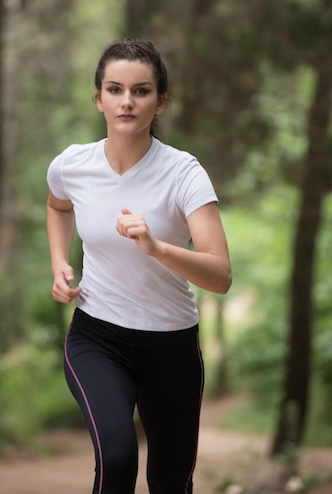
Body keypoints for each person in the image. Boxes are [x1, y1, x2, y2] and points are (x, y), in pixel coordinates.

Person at [46, 38, 232, 494]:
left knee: (170, 482)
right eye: (114, 89)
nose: (126, 101)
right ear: (99, 99)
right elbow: (57, 206)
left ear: (160, 102)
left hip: (171, 346)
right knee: (117, 456)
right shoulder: (72, 165)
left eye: (141, 90)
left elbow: (221, 275)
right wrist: (58, 263)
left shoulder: (184, 173)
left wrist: (158, 246)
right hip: (97, 337)